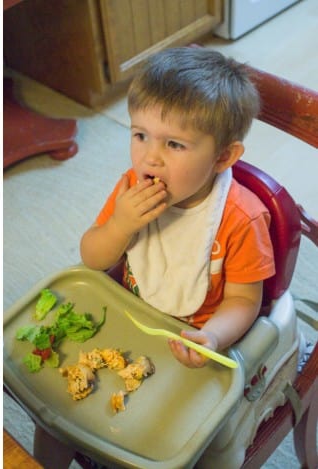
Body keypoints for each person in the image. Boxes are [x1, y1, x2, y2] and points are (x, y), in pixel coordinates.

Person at [80, 47, 275, 368]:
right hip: (133, 314)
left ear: (223, 157)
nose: (150, 158)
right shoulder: (131, 187)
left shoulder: (241, 218)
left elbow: (244, 300)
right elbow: (92, 258)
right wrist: (120, 226)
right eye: (140, 135)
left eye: (173, 144)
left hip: (194, 335)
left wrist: (212, 337)